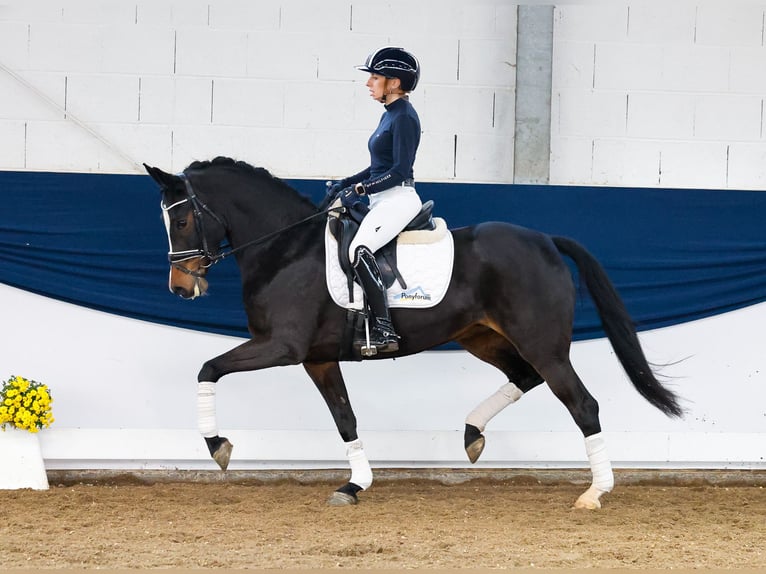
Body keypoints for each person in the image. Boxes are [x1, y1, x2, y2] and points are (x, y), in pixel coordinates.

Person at [328, 46, 423, 355]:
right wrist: (348, 182)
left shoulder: (405, 117)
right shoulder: (390, 115)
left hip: (399, 198)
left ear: (394, 83)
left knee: (359, 248)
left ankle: (384, 329)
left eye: (375, 77)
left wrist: (360, 191)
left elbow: (398, 171)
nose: (369, 83)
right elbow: (377, 166)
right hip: (382, 198)